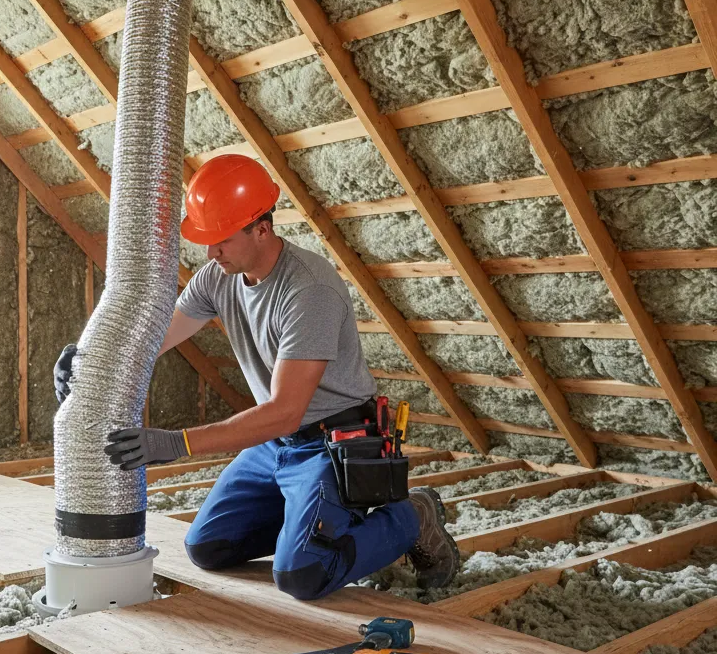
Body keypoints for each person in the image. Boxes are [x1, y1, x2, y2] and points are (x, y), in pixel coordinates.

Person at [54, 154, 460, 600]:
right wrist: (89, 362)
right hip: (277, 445)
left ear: (261, 228)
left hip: (333, 443)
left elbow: (286, 412)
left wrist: (177, 443)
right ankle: (311, 522)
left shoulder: (309, 290)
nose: (211, 254)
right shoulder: (217, 277)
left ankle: (412, 517)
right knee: (207, 547)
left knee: (303, 575)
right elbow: (152, 339)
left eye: (221, 241)